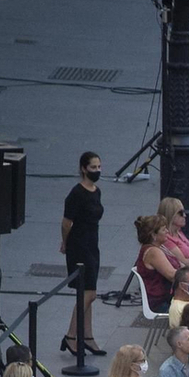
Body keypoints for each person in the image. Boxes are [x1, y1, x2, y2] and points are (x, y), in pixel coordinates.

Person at [60, 151, 103, 358]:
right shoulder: (76, 194)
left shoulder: (96, 191)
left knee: (89, 292)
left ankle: (87, 336)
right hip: (79, 245)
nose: (97, 171)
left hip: (92, 243)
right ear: (83, 169)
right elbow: (67, 222)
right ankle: (71, 335)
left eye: (99, 167)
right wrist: (65, 243)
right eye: (93, 167)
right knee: (88, 294)